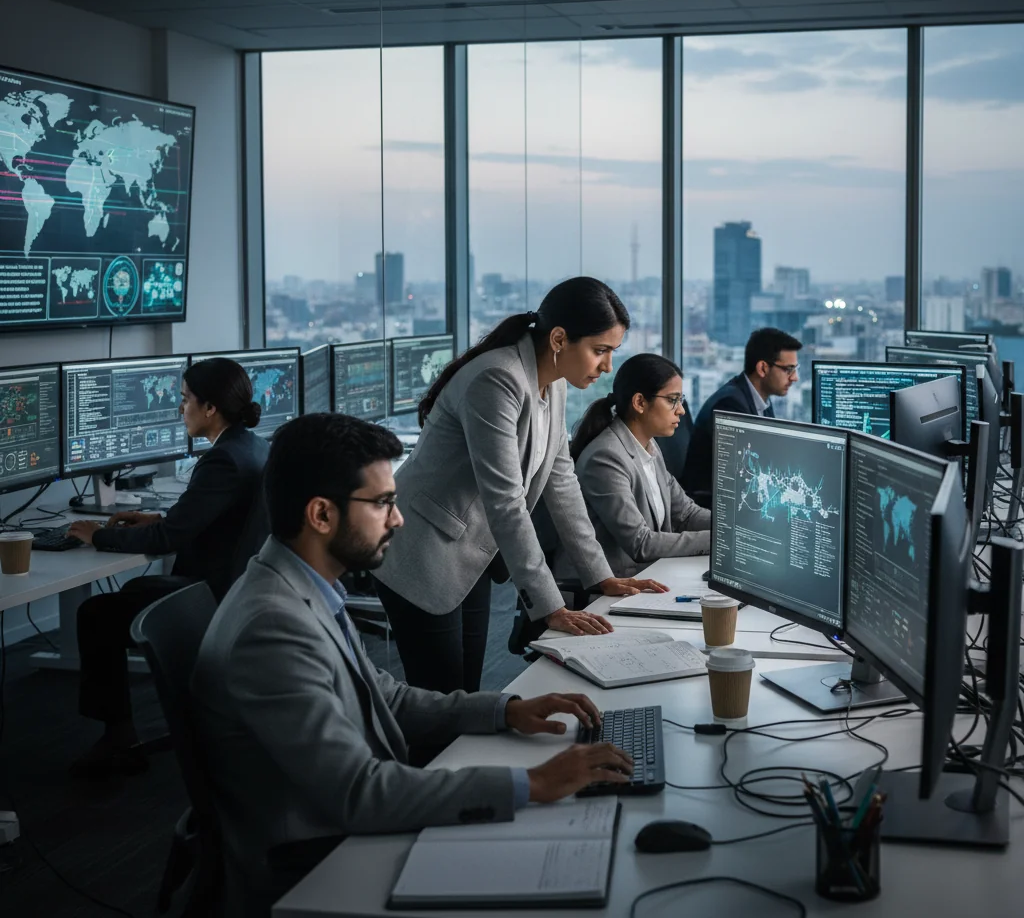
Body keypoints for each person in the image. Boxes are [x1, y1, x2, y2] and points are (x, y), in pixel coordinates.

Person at [191, 413, 634, 918]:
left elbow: (387, 696)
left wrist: (507, 711)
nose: (398, 520)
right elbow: (358, 794)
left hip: (348, 829)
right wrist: (532, 783)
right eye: (382, 503)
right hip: (317, 863)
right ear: (320, 515)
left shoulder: (301, 587)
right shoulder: (270, 626)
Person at [373, 277, 668, 695]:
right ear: (560, 339)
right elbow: (506, 501)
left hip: (468, 554)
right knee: (441, 705)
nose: (607, 368)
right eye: (600, 351)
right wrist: (551, 608)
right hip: (422, 553)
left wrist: (600, 576)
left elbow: (561, 481)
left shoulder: (556, 383)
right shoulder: (497, 380)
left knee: (466, 696)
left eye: (612, 353)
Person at [67, 357, 269, 778]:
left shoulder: (222, 460)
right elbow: (201, 520)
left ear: (210, 407)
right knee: (127, 597)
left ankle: (118, 740)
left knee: (96, 614)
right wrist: (157, 518)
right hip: (236, 589)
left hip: (209, 597)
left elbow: (167, 542)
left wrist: (96, 536)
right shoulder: (251, 446)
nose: (181, 409)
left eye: (185, 400)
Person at [557, 354, 711, 585]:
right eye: (672, 400)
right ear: (639, 402)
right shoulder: (606, 458)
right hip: (603, 591)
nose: (681, 411)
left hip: (648, 577)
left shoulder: (649, 446)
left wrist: (733, 527)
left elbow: (686, 514)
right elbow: (641, 543)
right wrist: (722, 540)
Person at [681, 327, 802, 507]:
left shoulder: (761, 400)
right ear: (763, 368)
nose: (795, 378)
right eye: (788, 369)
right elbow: (746, 474)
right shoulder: (731, 406)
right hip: (714, 505)